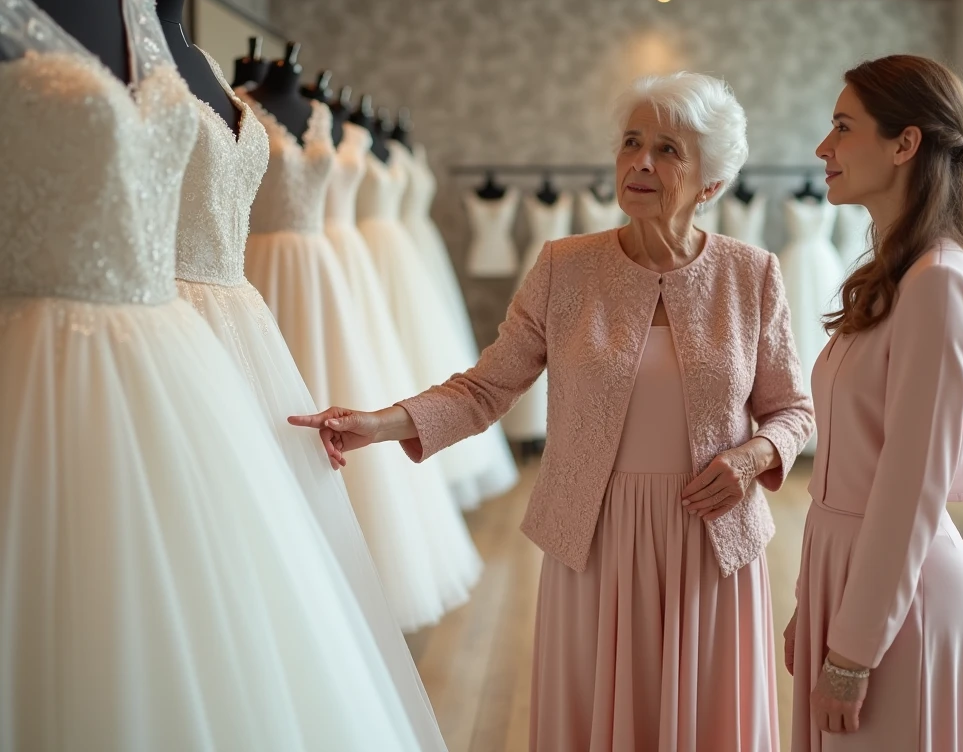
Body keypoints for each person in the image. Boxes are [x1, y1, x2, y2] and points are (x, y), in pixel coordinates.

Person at [292, 71, 815, 751]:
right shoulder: (564, 267)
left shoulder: (753, 274)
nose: (641, 163)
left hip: (710, 541)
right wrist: (381, 423)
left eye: (667, 150)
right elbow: (487, 388)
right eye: (631, 143)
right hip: (594, 539)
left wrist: (755, 456)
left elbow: (793, 411)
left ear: (711, 184)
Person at [784, 54, 963, 752]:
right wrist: (811, 607)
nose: (823, 147)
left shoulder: (938, 281)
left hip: (902, 600)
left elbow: (908, 490)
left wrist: (851, 650)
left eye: (843, 127)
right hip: (847, 578)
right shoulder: (893, 276)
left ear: (905, 144)